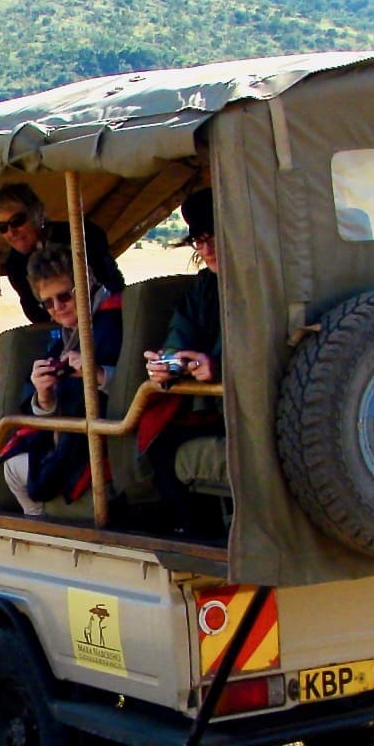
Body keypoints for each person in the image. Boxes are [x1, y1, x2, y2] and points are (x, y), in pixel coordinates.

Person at [0, 244, 123, 517]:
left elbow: (132, 384)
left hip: (106, 444)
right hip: (75, 439)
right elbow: (45, 407)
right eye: (47, 303)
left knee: (13, 468)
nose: (57, 308)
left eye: (64, 297)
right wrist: (44, 396)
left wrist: (98, 375)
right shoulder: (66, 338)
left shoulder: (116, 321)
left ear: (86, 282)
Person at [141, 188, 226, 538]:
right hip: (217, 407)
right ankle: (198, 538)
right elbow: (182, 328)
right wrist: (168, 363)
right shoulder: (206, 287)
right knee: (157, 443)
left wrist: (218, 367)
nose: (205, 250)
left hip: (258, 409)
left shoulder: (264, 280)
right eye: (198, 241)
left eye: (213, 238)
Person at [0, 183, 125, 325]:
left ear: (37, 214)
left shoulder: (82, 235)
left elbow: (112, 285)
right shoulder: (14, 264)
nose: (11, 232)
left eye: (17, 221)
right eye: (2, 227)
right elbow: (33, 310)